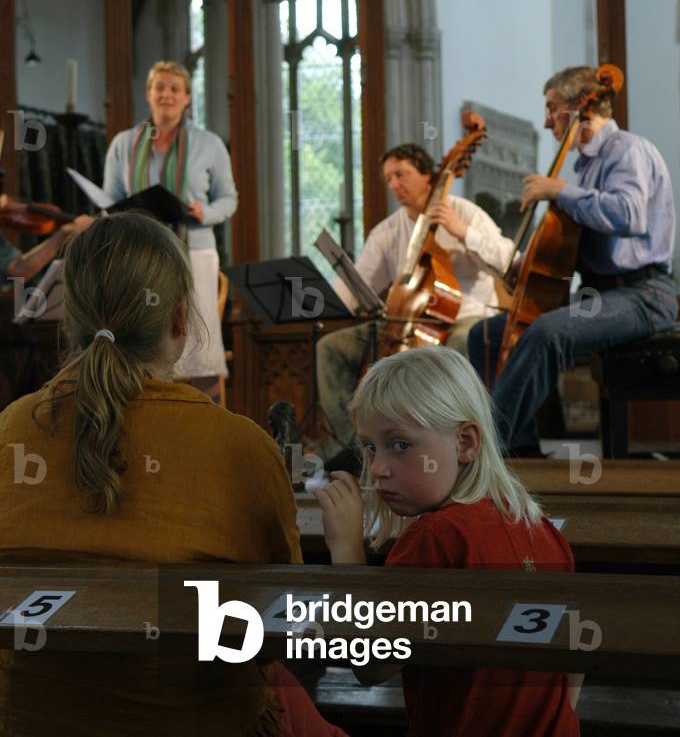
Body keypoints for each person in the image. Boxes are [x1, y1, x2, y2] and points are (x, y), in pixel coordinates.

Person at [0, 211, 347, 737]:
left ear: (70, 318)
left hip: (33, 720)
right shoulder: (241, 448)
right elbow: (286, 626)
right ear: (181, 319)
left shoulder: (11, 428)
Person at [314, 346, 581, 737]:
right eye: (369, 447)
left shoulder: (436, 539)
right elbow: (572, 660)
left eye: (400, 445)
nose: (378, 468)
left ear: (466, 443)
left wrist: (346, 549)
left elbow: (371, 664)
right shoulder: (543, 529)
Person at [468, 65, 677, 454]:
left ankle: (488, 447)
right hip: (600, 294)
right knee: (486, 334)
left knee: (549, 332)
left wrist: (560, 191)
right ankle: (523, 449)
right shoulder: (586, 168)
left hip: (645, 294)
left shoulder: (627, 150)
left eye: (551, 108)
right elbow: (571, 250)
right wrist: (525, 267)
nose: (547, 121)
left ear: (578, 107)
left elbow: (629, 215)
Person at [317, 143, 514, 464]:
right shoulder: (389, 230)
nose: (394, 184)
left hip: (464, 316)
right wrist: (313, 300)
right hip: (405, 322)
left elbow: (508, 261)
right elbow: (359, 286)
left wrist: (462, 231)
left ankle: (459, 448)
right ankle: (351, 448)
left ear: (427, 175)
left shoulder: (463, 212)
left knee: (462, 342)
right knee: (331, 348)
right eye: (389, 178)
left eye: (401, 174)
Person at [103, 59, 237, 399]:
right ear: (148, 94)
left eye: (175, 89)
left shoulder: (209, 144)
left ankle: (210, 429)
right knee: (142, 339)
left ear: (187, 98)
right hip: (139, 255)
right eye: (159, 87)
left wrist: (202, 210)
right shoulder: (124, 144)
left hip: (194, 249)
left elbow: (229, 199)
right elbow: (110, 200)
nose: (167, 94)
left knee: (199, 347)